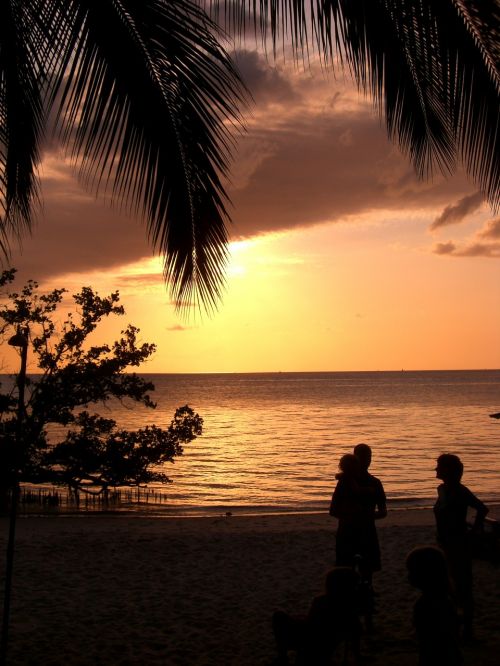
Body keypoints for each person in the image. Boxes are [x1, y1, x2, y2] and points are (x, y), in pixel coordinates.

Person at [433, 453, 488, 641]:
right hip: (444, 542)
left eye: (439, 466)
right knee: (448, 585)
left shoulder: (459, 490)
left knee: (463, 585)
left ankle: (468, 628)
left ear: (448, 470)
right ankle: (456, 623)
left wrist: (475, 530)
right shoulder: (442, 489)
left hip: (458, 543)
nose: (436, 469)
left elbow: (482, 508)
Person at [272, 567, 361, 665]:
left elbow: (312, 627)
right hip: (325, 641)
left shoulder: (321, 602)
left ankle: (282, 657)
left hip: (313, 641)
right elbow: (354, 633)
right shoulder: (350, 606)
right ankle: (283, 657)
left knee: (278, 617)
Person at [330, 445, 387, 579]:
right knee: (345, 572)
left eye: (369, 457)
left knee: (367, 574)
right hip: (347, 532)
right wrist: (351, 515)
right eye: (362, 457)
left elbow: (383, 512)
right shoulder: (344, 482)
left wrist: (366, 516)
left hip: (367, 532)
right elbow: (333, 510)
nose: (366, 460)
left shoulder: (375, 483)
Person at [406, 545, 463, 665]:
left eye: (411, 571)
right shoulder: (445, 599)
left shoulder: (425, 605)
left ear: (424, 575)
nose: (408, 576)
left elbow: (427, 642)